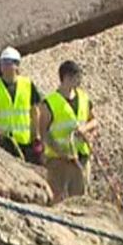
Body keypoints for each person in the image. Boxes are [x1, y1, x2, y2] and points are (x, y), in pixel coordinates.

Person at [39, 60, 98, 203]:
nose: (80, 80)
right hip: (58, 160)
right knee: (56, 198)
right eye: (77, 76)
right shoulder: (50, 102)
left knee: (80, 199)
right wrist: (59, 151)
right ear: (66, 77)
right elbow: (43, 131)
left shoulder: (83, 98)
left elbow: (94, 121)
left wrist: (86, 131)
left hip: (81, 157)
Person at [0, 47, 43, 163]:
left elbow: (35, 113)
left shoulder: (27, 85)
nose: (4, 66)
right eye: (2, 63)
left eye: (8, 63)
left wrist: (36, 137)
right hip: (1, 142)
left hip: (24, 142)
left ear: (17, 65)